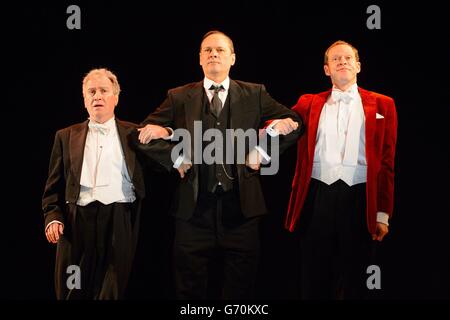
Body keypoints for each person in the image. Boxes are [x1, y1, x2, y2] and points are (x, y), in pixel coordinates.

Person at [135, 30, 303, 299]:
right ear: (200, 59)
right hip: (193, 210)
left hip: (242, 209)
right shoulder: (178, 97)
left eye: (220, 50)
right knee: (188, 287)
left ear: (233, 58)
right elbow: (141, 134)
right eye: (208, 50)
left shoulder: (255, 93)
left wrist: (263, 150)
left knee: (241, 287)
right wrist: (174, 156)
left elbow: (295, 123)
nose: (214, 54)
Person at [285, 40, 398, 299]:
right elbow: (282, 122)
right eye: (336, 59)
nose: (342, 62)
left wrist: (383, 213)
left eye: (348, 58)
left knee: (356, 277)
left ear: (358, 66)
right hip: (317, 196)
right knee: (315, 276)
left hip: (360, 197)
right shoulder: (309, 102)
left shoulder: (384, 104)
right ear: (327, 69)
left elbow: (387, 162)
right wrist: (268, 130)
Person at [42, 68, 146, 299]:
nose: (97, 96)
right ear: (85, 100)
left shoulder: (135, 133)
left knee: (111, 289)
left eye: (103, 91)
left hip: (119, 217)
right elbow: (52, 187)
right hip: (76, 220)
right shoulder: (65, 136)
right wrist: (53, 217)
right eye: (91, 91)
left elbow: (163, 156)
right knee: (72, 288)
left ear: (115, 98)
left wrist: (180, 160)